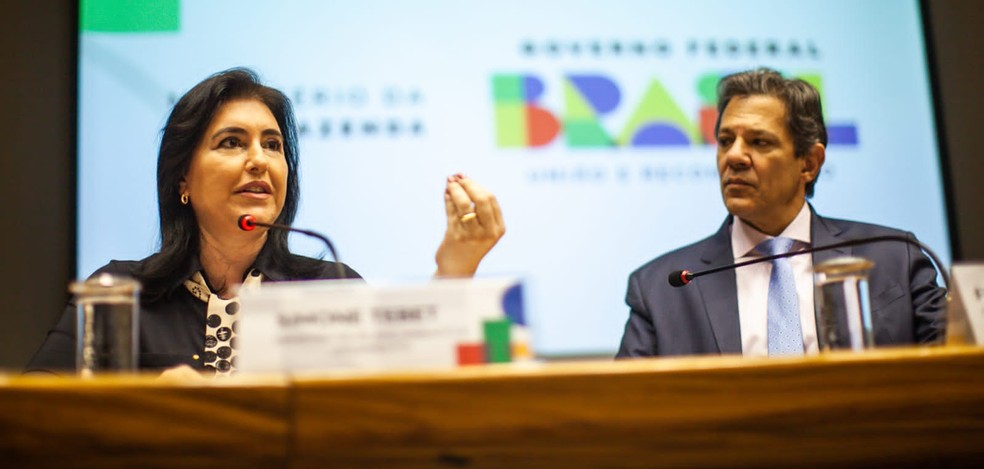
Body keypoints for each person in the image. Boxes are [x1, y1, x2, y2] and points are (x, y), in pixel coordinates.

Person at [26, 68, 505, 375]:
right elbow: (34, 415)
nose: (259, 160)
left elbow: (406, 398)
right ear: (182, 179)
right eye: (231, 142)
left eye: (273, 145)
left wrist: (454, 271)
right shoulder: (120, 291)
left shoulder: (330, 287)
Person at [617, 68, 946, 358]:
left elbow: (957, 373)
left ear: (809, 163)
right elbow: (627, 409)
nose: (734, 156)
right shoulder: (661, 288)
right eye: (725, 140)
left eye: (759, 142)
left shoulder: (893, 257)